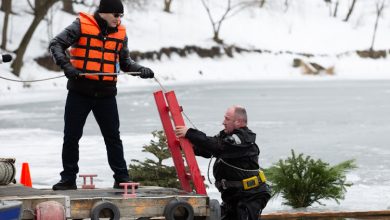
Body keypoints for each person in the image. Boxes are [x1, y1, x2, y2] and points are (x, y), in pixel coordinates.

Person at [49, 0, 154, 190]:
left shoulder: (121, 33)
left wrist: (142, 70)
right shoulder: (81, 25)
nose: (118, 19)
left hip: (106, 95)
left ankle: (122, 178)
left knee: (113, 137)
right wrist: (67, 67)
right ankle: (68, 178)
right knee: (71, 136)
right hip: (79, 92)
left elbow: (126, 63)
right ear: (104, 12)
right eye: (116, 15)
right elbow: (56, 44)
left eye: (121, 16)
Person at [175, 106, 271, 220]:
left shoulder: (243, 139)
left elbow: (217, 146)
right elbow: (207, 149)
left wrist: (190, 133)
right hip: (232, 197)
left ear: (238, 122)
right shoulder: (226, 137)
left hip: (250, 196)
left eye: (227, 119)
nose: (223, 122)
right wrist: (183, 146)